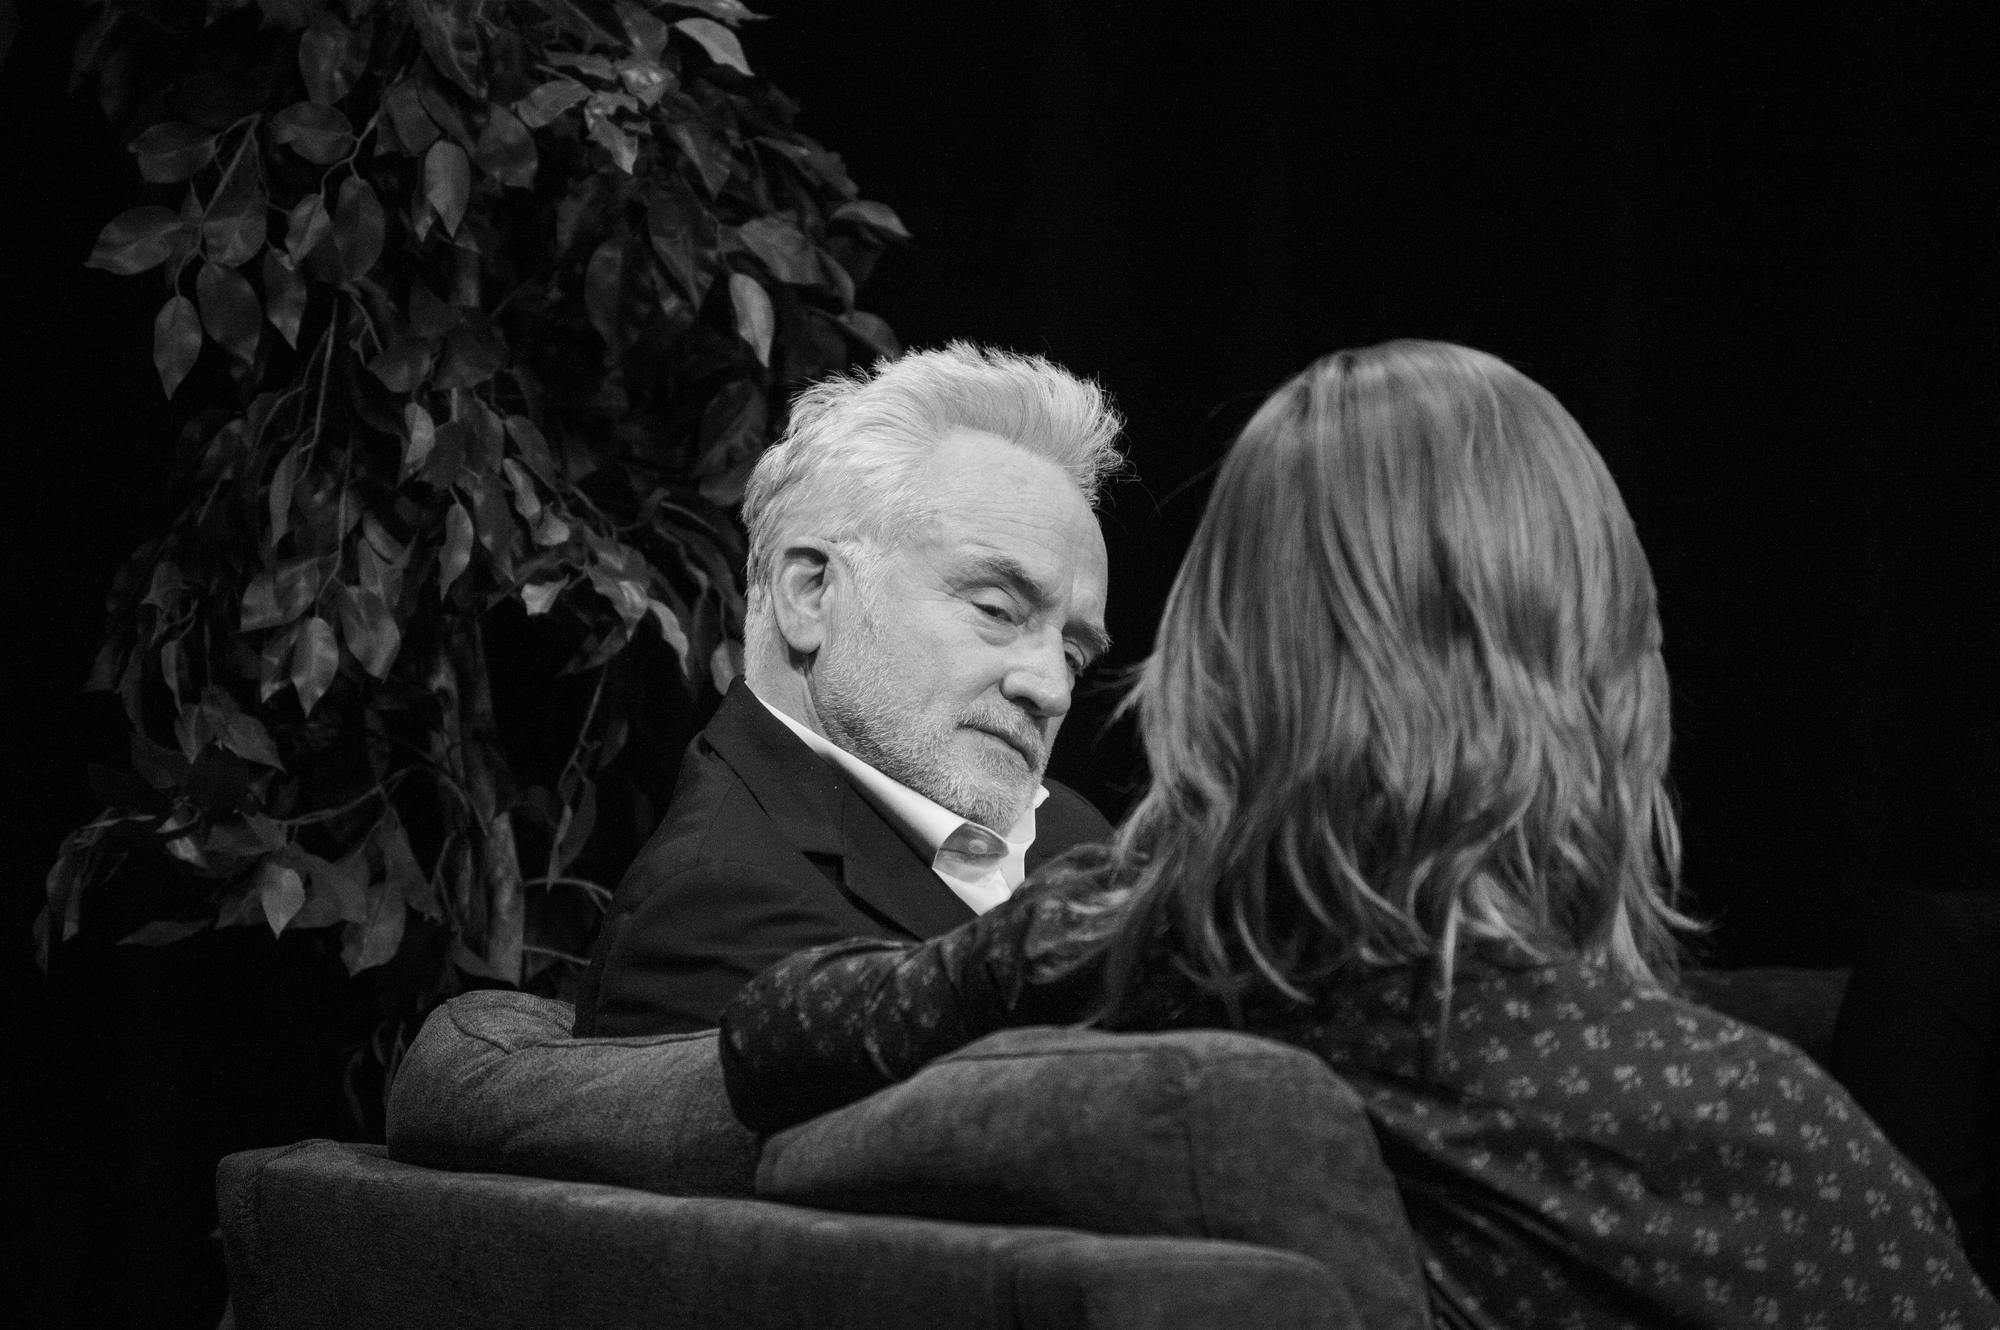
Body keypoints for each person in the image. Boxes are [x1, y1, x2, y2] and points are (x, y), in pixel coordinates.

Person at [719, 341, 2000, 1328]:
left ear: (1220, 666)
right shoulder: (1746, 1143)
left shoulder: (1100, 950)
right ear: (1606, 681)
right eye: (995, 607)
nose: (1046, 684)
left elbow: (772, 1033)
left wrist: (1143, 885)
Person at [572, 343, 1124, 1036]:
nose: (1051, 689)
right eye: (996, 611)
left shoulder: (1077, 841)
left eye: (1073, 652)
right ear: (811, 595)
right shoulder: (716, 912)